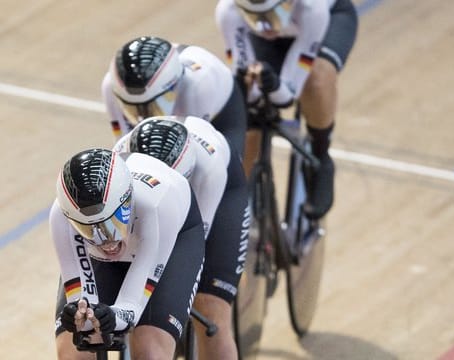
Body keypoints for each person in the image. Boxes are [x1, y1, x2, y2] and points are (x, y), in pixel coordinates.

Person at [113, 115, 249, 360]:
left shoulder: (208, 170)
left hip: (216, 200)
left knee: (211, 308)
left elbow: (197, 247)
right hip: (146, 212)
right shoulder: (120, 162)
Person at [51, 148, 206, 359]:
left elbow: (131, 307)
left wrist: (112, 317)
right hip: (106, 256)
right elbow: (82, 306)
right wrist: (79, 316)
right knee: (74, 353)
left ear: (128, 202)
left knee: (150, 351)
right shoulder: (60, 218)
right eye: (88, 230)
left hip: (172, 239)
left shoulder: (155, 207)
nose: (106, 241)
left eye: (112, 224)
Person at [215, 0, 359, 219]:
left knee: (316, 81)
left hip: (326, 22)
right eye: (257, 18)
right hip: (278, 33)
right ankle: (236, 205)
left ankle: (320, 158)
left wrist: (272, 84)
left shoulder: (313, 8)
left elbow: (288, 95)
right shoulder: (228, 10)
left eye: (271, 16)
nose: (267, 27)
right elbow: (244, 75)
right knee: (249, 115)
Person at [101, 35, 247, 158]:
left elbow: (195, 153)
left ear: (172, 87)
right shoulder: (110, 87)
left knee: (227, 162)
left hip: (222, 108)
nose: (143, 116)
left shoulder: (196, 88)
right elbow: (123, 148)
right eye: (132, 108)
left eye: (153, 107)